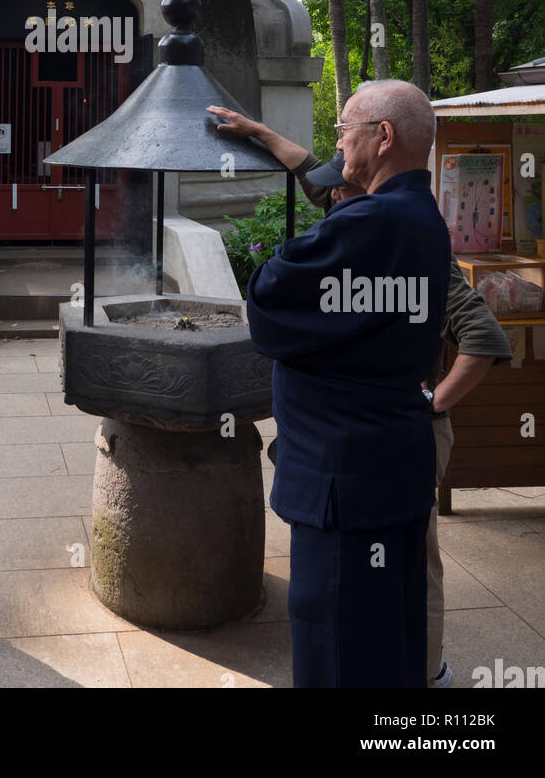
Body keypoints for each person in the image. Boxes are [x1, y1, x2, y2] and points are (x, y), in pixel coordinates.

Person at [207, 104, 513, 688]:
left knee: (336, 639)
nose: (338, 148)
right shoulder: (421, 217)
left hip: (344, 481)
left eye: (345, 132)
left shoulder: (366, 225)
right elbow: (321, 180)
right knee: (383, 632)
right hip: (390, 463)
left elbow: (268, 305)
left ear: (384, 136)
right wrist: (263, 133)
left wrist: (279, 258)